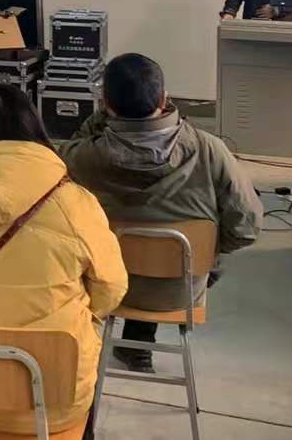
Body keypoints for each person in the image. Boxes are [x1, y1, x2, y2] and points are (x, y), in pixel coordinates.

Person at [0, 86, 126, 440]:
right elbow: (112, 287)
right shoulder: (75, 202)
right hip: (58, 397)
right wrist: (81, 315)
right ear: (36, 129)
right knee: (85, 355)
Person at [62, 53, 262, 372]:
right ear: (164, 98)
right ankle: (139, 344)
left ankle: (130, 343)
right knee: (167, 244)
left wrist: (103, 117)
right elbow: (246, 228)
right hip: (180, 289)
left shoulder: (82, 157)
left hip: (104, 287)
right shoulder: (209, 149)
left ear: (105, 104)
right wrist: (207, 253)